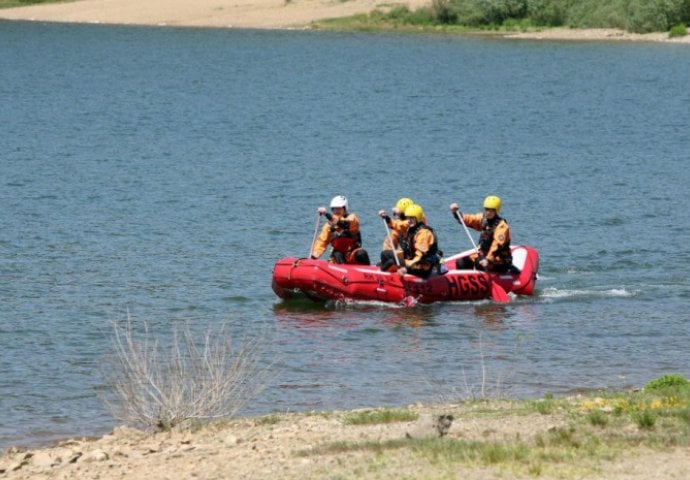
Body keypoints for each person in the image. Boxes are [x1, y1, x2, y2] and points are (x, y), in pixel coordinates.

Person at [449, 195, 514, 273]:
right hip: (484, 255)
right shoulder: (484, 220)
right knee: (462, 262)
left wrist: (488, 260)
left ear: (496, 211)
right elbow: (469, 219)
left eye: (491, 210)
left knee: (479, 263)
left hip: (498, 259)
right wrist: (456, 213)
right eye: (486, 209)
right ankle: (467, 282)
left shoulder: (502, 226)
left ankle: (488, 280)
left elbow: (497, 246)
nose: (488, 212)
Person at [311, 195, 370, 265]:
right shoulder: (328, 226)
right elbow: (322, 241)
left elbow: (343, 224)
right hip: (338, 255)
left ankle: (368, 273)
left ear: (344, 209)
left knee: (361, 253)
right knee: (338, 254)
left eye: (339, 208)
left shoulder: (353, 218)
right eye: (334, 209)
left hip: (352, 253)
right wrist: (316, 253)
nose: (336, 211)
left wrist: (326, 214)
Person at [395, 204, 440, 278]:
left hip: (423, 267)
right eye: (408, 218)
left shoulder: (424, 233)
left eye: (412, 218)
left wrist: (407, 268)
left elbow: (419, 255)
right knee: (387, 255)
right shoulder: (411, 230)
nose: (409, 221)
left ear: (417, 218)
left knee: (393, 261)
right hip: (414, 262)